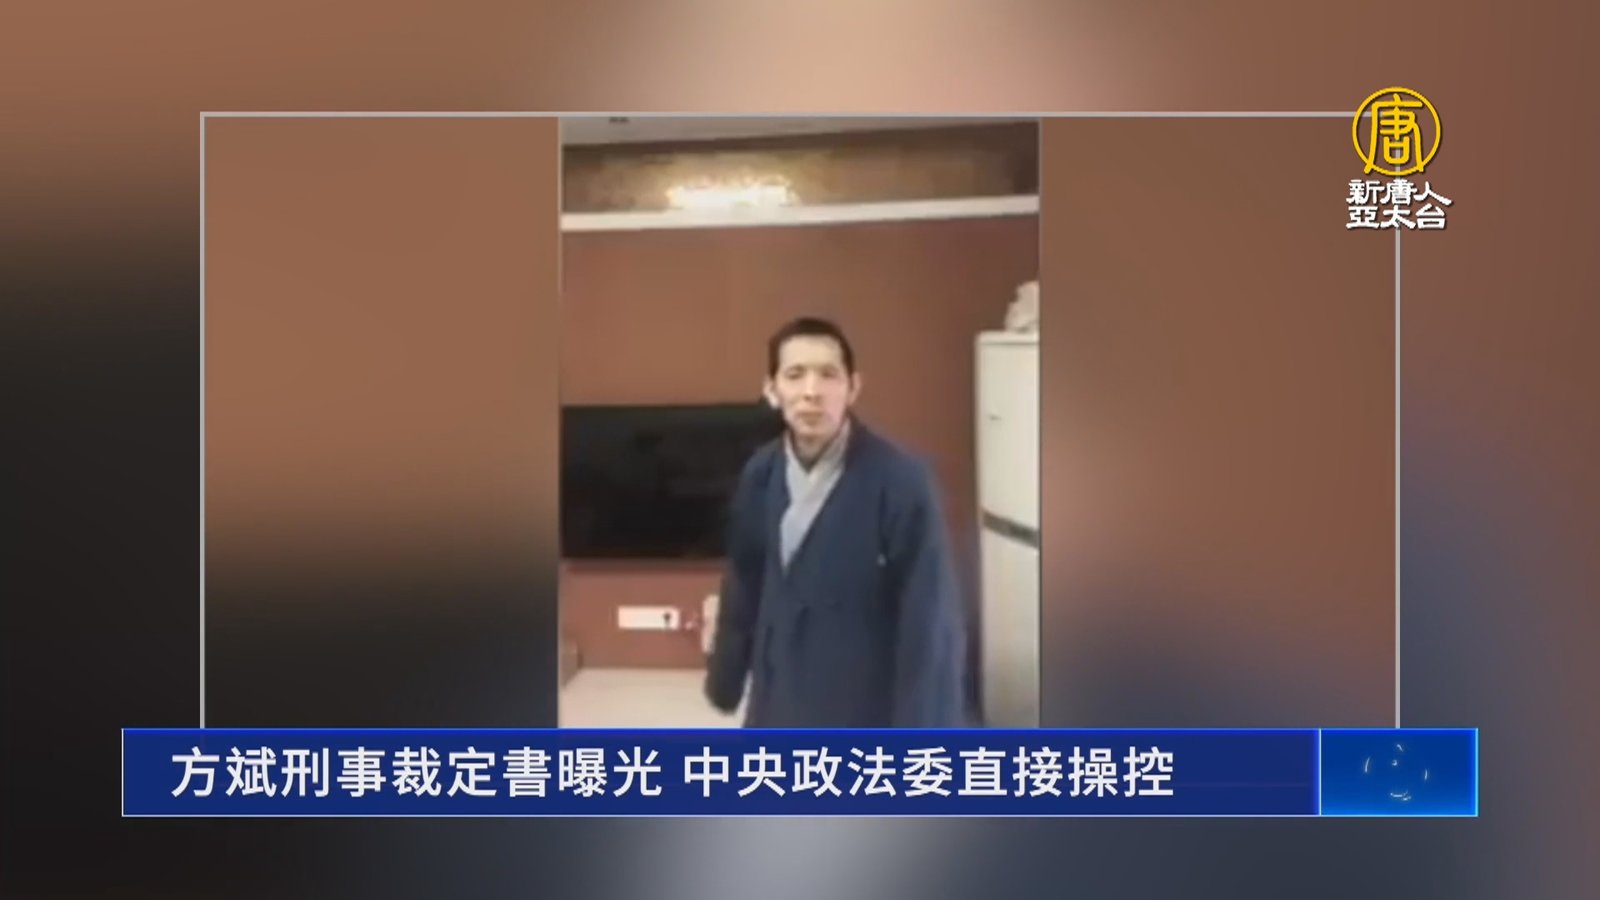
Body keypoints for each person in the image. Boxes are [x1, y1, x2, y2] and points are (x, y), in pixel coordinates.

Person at [704, 316, 970, 728]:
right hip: (779, 688)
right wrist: (727, 676)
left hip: (862, 698)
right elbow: (744, 579)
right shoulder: (762, 472)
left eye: (828, 374)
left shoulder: (901, 480)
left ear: (853, 387)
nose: (812, 391)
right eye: (795, 375)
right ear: (772, 390)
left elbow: (929, 616)